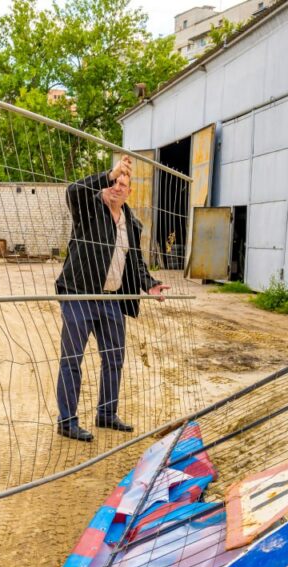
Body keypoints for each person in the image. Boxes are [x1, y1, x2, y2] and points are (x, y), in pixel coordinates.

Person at [54, 155, 170, 442]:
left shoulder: (131, 222)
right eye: (115, 182)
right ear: (107, 184)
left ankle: (106, 414)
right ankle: (66, 421)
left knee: (114, 358)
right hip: (79, 295)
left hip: (110, 299)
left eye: (124, 184)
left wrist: (150, 285)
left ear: (130, 192)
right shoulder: (88, 207)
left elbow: (135, 263)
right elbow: (73, 190)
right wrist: (110, 172)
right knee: (72, 360)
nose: (118, 187)